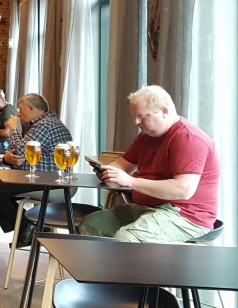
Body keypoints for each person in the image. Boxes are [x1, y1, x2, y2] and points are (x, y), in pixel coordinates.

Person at [80, 86, 221, 243]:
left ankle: (155, 258)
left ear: (164, 111)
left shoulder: (188, 139)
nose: (136, 122)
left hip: (185, 215)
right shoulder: (147, 136)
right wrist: (109, 173)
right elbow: (123, 165)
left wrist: (129, 181)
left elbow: (183, 190)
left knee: (126, 238)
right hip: (148, 208)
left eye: (142, 116)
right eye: (135, 116)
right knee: (89, 225)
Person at [0, 92, 73, 241]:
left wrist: (13, 129)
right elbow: (17, 152)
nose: (18, 114)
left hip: (47, 181)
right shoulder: (44, 123)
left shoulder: (44, 125)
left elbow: (20, 150)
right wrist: (7, 158)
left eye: (20, 109)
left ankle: (27, 228)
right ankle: (28, 228)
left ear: (31, 108)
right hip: (46, 178)